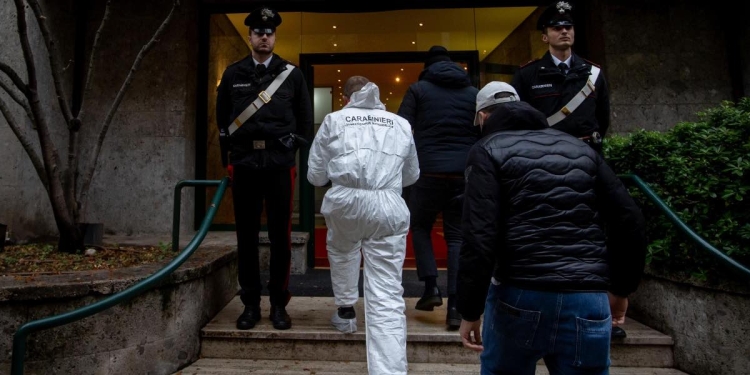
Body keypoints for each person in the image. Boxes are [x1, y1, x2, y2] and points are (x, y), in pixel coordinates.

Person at [457, 81, 647, 375]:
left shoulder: (487, 150)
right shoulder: (579, 149)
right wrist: (621, 288)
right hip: (587, 296)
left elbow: (479, 236)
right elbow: (629, 219)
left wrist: (469, 310)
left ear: (483, 117)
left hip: (520, 292)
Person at [307, 76, 419, 375]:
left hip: (345, 199)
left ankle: (345, 312)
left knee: (343, 252)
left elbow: (315, 175)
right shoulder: (400, 124)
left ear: (346, 98)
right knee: (386, 289)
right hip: (388, 204)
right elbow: (411, 175)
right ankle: (390, 370)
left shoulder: (333, 120)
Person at [215, 6, 313, 331]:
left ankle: (278, 304)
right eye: (258, 32)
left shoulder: (292, 74)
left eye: (269, 32)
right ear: (249, 36)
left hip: (278, 166)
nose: (264, 37)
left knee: (280, 237)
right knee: (246, 236)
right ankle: (250, 304)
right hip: (244, 164)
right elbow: (222, 121)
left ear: (275, 36)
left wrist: (293, 143)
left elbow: (304, 121)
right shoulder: (233, 74)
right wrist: (227, 160)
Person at [396, 45, 480, 329]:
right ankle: (456, 307)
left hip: (428, 172)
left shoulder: (418, 90)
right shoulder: (473, 94)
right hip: (462, 174)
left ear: (428, 67)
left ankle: (431, 287)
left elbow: (402, 129)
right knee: (456, 237)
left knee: (420, 226)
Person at [510, 1, 610, 154]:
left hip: (587, 153)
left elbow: (603, 117)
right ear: (545, 37)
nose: (564, 31)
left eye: (568, 27)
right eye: (557, 28)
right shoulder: (527, 74)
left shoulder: (593, 72)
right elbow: (518, 117)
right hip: (546, 154)